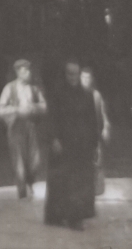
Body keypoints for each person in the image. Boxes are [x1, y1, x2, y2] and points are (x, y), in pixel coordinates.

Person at [43, 60, 100, 230]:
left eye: (76, 74)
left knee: (80, 181)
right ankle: (57, 216)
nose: (73, 77)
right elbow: (51, 118)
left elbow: (92, 120)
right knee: (61, 180)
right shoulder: (57, 93)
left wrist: (95, 144)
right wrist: (53, 139)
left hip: (82, 144)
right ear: (65, 74)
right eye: (70, 74)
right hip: (63, 143)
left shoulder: (87, 94)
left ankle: (76, 216)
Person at [0, 58, 47, 199]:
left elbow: (44, 106)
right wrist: (17, 110)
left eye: (29, 70)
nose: (28, 73)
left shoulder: (34, 89)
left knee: (35, 160)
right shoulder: (9, 88)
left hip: (31, 127)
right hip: (15, 128)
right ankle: (22, 192)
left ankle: (30, 182)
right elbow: (0, 110)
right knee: (19, 162)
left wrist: (34, 107)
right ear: (18, 72)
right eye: (25, 70)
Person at [80, 65, 112, 205]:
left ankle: (96, 190)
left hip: (94, 134)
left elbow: (104, 114)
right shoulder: (73, 95)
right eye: (83, 77)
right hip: (79, 135)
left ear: (91, 79)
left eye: (88, 78)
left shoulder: (96, 95)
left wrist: (106, 127)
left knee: (96, 162)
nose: (85, 80)